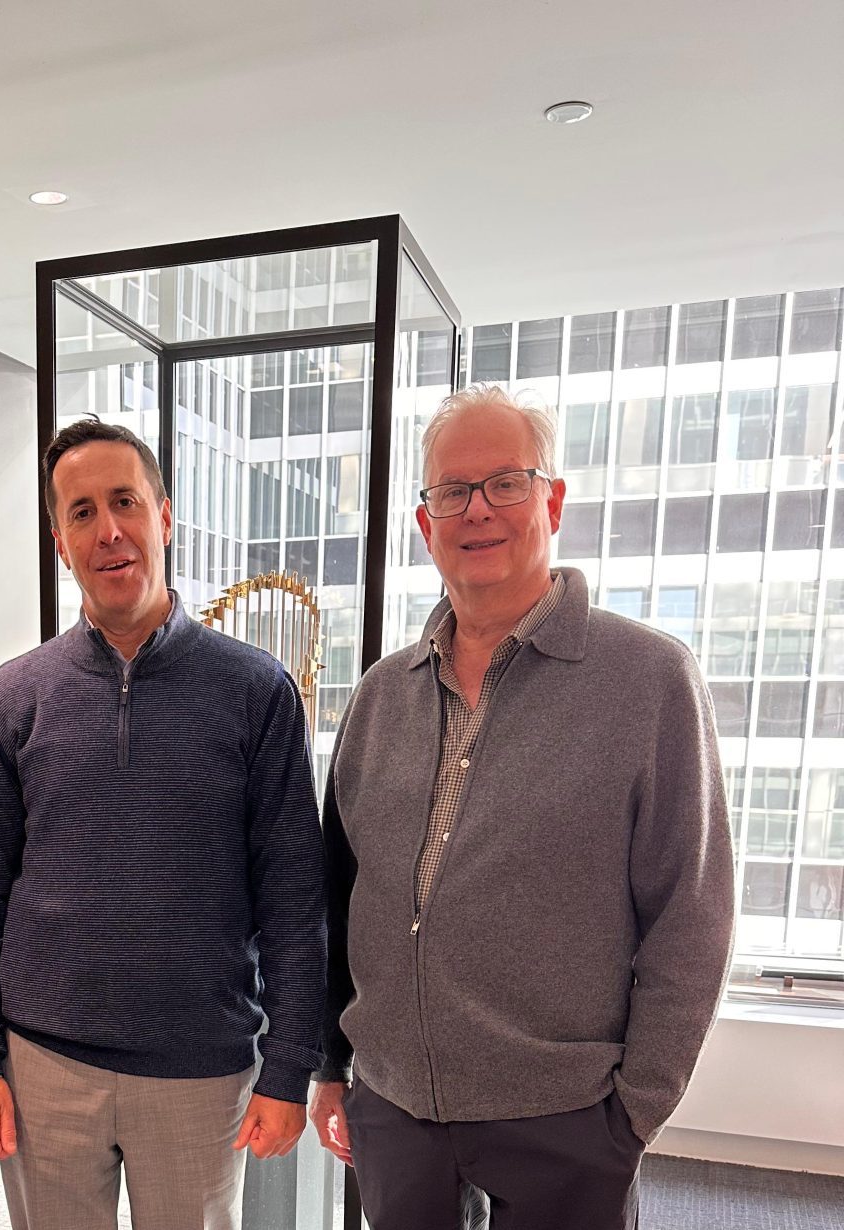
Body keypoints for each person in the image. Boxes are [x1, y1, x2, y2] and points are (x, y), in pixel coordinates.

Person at [308, 386, 735, 1230]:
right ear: (426, 524)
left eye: (506, 482)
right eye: (452, 491)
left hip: (567, 1119)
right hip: (396, 1110)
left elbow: (692, 916)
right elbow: (340, 896)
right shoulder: (380, 697)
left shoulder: (649, 681)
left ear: (553, 501)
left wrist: (632, 1116)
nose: (478, 510)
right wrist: (333, 1062)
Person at [0, 417, 326, 1230]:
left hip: (200, 1073)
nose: (107, 531)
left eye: (124, 502)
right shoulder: (14, 696)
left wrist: (290, 1064)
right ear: (60, 541)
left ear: (165, 517)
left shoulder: (257, 692)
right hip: (43, 1066)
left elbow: (294, 899)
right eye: (81, 512)